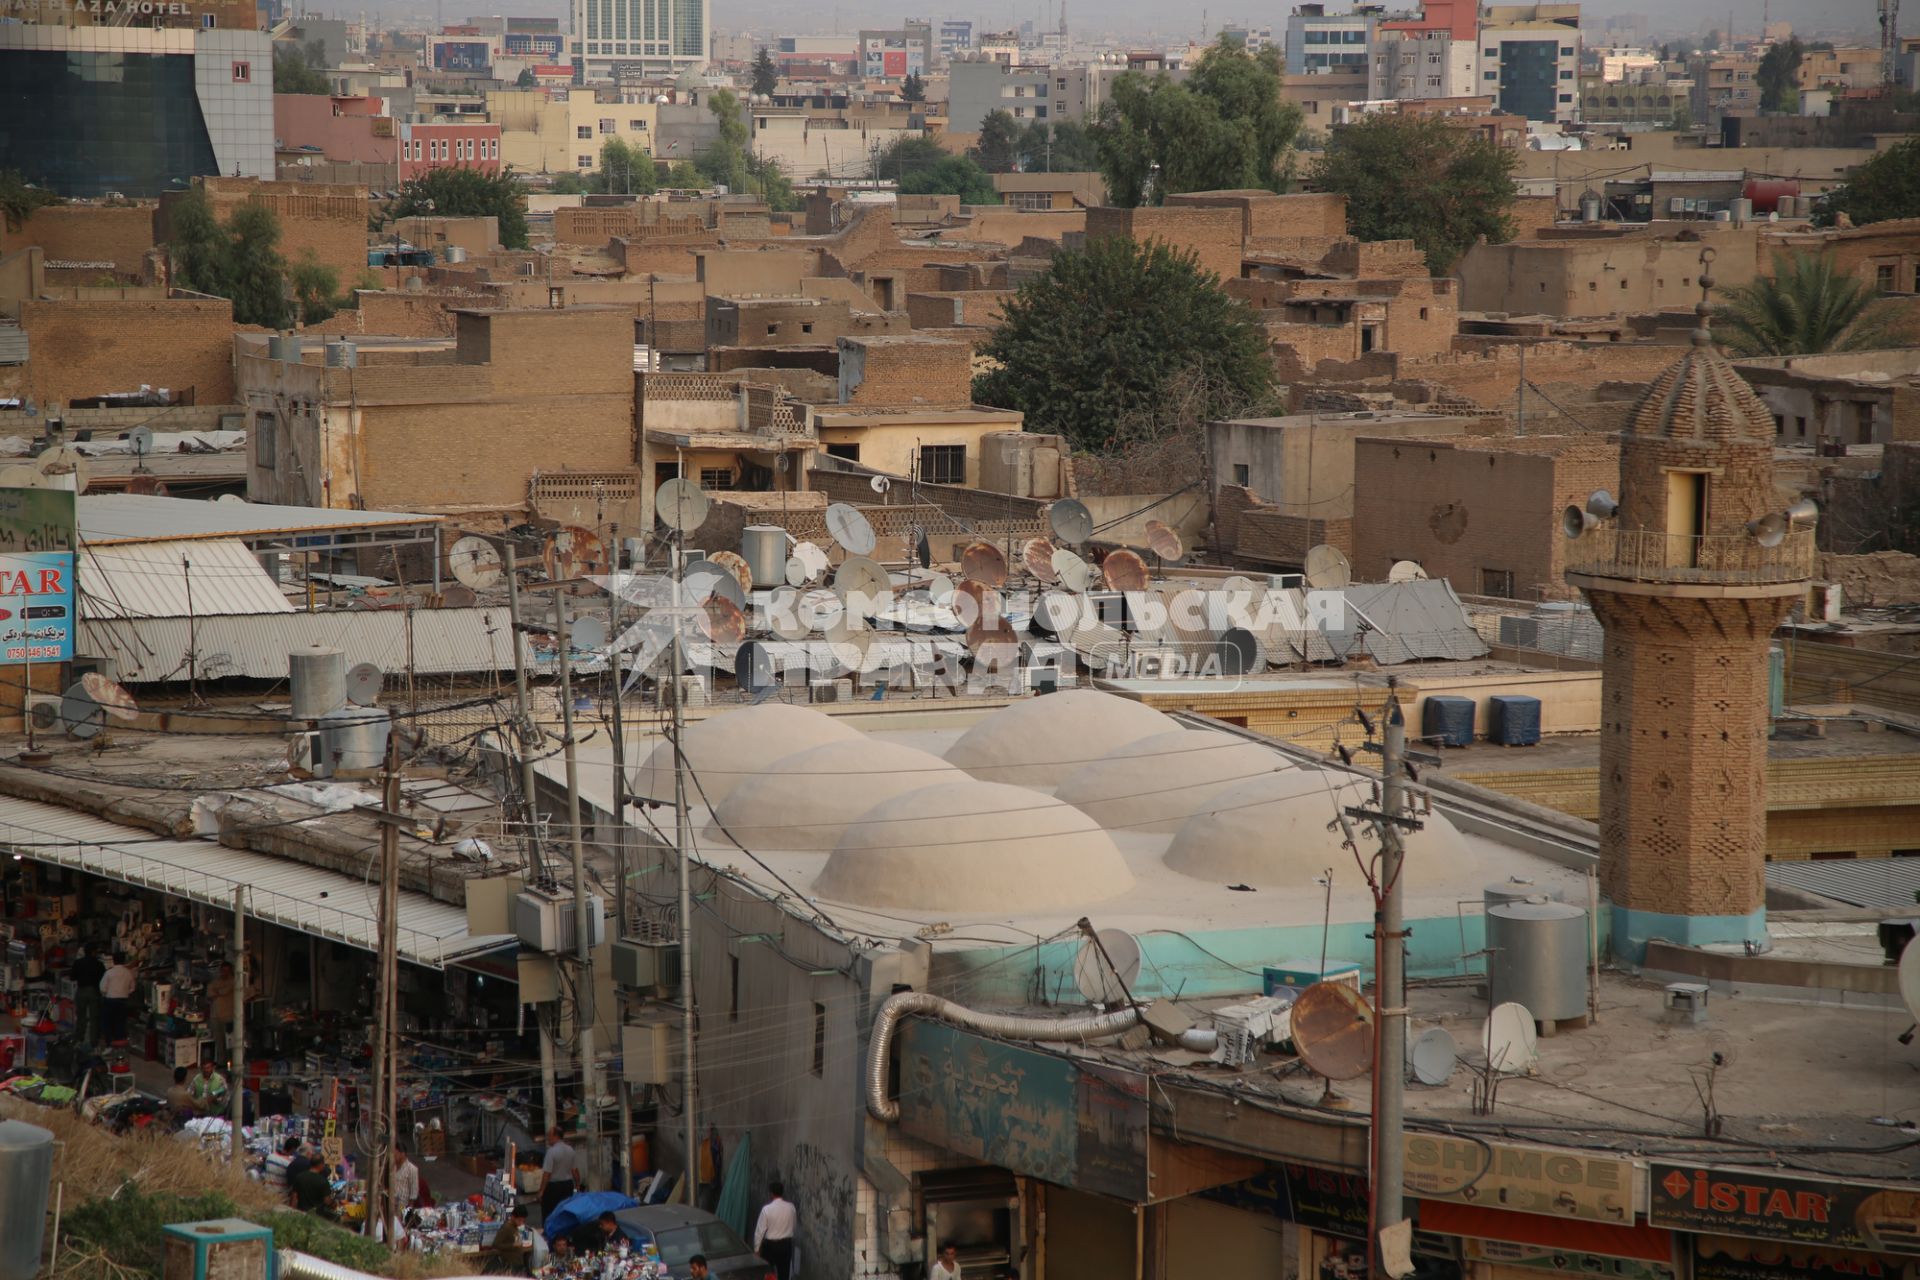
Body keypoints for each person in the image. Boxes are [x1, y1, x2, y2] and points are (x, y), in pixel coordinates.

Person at [752, 1181, 796, 1280]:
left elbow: (759, 1232)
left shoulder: (767, 1209)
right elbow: (794, 1225)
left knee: (768, 1273)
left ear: (771, 1193)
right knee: (784, 1273)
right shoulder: (791, 1207)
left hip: (770, 1247)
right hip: (786, 1245)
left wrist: (757, 1249)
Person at [538, 1126, 578, 1226]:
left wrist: (541, 1191)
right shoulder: (570, 1150)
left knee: (550, 1212)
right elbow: (575, 1170)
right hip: (568, 1185)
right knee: (565, 1211)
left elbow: (547, 1174)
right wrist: (577, 1185)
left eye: (549, 1135)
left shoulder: (551, 1152)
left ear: (556, 1136)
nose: (548, 1138)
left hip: (553, 1187)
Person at [70, 945, 105, 1045]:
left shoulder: (78, 963)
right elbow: (103, 978)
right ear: (93, 952)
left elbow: (72, 977)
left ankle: (79, 1038)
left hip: (81, 990)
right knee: (94, 1017)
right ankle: (93, 1041)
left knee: (81, 1016)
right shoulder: (99, 964)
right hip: (94, 991)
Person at [99, 953, 135, 1045]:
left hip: (110, 1000)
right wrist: (125, 992)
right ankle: (120, 1043)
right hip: (123, 1001)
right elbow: (132, 987)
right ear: (124, 961)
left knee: (108, 1022)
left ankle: (109, 1043)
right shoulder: (128, 972)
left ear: (113, 961)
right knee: (120, 1022)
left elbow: (102, 988)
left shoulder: (109, 972)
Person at [486, 1205, 531, 1275]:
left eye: (523, 1221)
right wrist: (512, 1245)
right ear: (513, 1217)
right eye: (519, 1220)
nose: (521, 1223)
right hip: (510, 1265)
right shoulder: (506, 1228)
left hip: (517, 1264)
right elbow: (496, 1244)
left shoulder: (515, 1227)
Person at [208, 962, 236, 1066]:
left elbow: (226, 991)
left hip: (229, 1017)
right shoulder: (215, 982)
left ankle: (231, 1065)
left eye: (226, 971)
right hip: (216, 1017)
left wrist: (218, 992)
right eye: (222, 970)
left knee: (230, 1045)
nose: (224, 973)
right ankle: (221, 1063)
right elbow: (210, 993)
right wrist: (219, 992)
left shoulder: (234, 982)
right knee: (220, 1043)